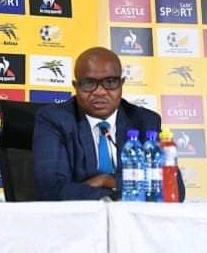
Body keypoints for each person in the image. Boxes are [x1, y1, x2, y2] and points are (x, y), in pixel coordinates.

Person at [33, 46, 185, 201]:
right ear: (76, 86)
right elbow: (51, 189)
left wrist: (107, 181)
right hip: (77, 215)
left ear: (122, 84)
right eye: (89, 83)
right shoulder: (55, 119)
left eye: (110, 82)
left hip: (131, 216)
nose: (100, 92)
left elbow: (173, 189)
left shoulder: (144, 121)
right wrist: (119, 194)